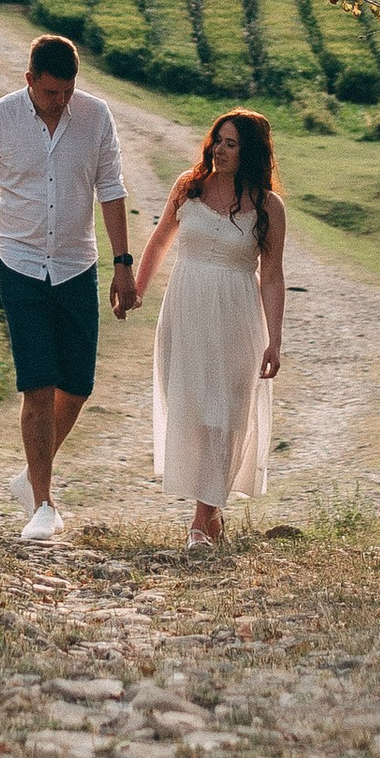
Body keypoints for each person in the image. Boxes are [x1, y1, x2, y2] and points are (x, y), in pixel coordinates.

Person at [0, 33, 136, 541]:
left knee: (77, 386)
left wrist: (123, 264)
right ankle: (43, 504)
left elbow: (112, 189)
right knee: (37, 385)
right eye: (52, 92)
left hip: (78, 262)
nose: (62, 102)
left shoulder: (96, 116)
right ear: (30, 80)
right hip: (21, 261)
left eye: (68, 91)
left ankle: (33, 473)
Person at [131, 110, 286, 548]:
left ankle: (202, 519)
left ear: (250, 151)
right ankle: (211, 513)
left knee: (226, 416)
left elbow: (272, 277)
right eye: (217, 140)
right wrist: (137, 288)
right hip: (186, 311)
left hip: (238, 317)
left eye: (231, 143)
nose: (219, 148)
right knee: (194, 409)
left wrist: (275, 339)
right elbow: (161, 239)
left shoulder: (269, 207)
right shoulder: (189, 187)